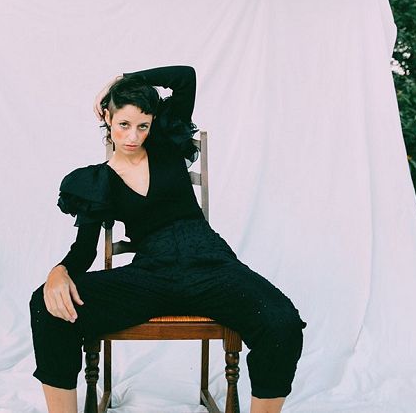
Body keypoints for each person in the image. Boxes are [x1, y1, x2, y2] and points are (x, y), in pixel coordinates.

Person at [29, 66, 306, 413]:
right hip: (152, 276)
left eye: (142, 126)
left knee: (282, 322)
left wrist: (120, 80)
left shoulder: (165, 144)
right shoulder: (96, 181)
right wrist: (59, 271)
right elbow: (84, 251)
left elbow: (185, 77)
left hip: (210, 264)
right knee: (45, 305)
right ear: (107, 118)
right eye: (123, 124)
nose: (133, 136)